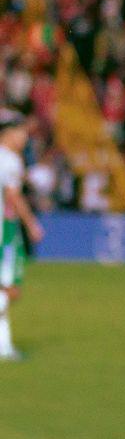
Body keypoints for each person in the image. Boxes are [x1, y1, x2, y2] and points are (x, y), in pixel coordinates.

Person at [0, 111, 45, 362]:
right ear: (9, 133)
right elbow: (13, 197)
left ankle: (4, 347)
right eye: (23, 133)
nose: (25, 138)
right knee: (10, 288)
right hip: (4, 232)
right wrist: (31, 224)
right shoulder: (10, 160)